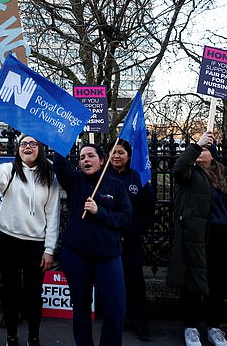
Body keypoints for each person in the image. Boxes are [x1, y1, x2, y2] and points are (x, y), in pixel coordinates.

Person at [167, 131, 227, 346]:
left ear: (212, 155)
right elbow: (178, 168)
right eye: (199, 150)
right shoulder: (190, 175)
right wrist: (196, 145)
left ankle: (214, 327)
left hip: (225, 237)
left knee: (218, 284)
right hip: (199, 236)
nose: (201, 152)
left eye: (205, 150)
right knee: (194, 283)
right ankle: (191, 327)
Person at [0, 129, 60, 346]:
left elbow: (53, 213)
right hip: (9, 241)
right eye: (23, 143)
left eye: (32, 143)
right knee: (10, 292)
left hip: (36, 245)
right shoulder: (10, 170)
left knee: (34, 294)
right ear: (18, 149)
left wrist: (49, 249)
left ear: (40, 148)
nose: (28, 147)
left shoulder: (50, 174)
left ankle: (33, 337)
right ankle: (11, 337)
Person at [52, 144, 132, 346]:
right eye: (81, 157)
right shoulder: (75, 181)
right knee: (81, 308)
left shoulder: (115, 185)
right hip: (76, 256)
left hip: (107, 257)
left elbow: (125, 218)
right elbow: (60, 166)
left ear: (102, 160)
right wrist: (63, 141)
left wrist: (100, 212)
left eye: (90, 156)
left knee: (116, 309)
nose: (85, 160)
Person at [108, 139, 156, 341]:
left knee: (135, 281)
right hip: (109, 239)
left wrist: (137, 229)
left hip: (132, 239)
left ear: (128, 156)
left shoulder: (138, 178)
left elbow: (149, 207)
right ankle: (118, 319)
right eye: (113, 152)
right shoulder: (103, 178)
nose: (116, 156)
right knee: (112, 281)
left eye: (121, 152)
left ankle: (140, 322)